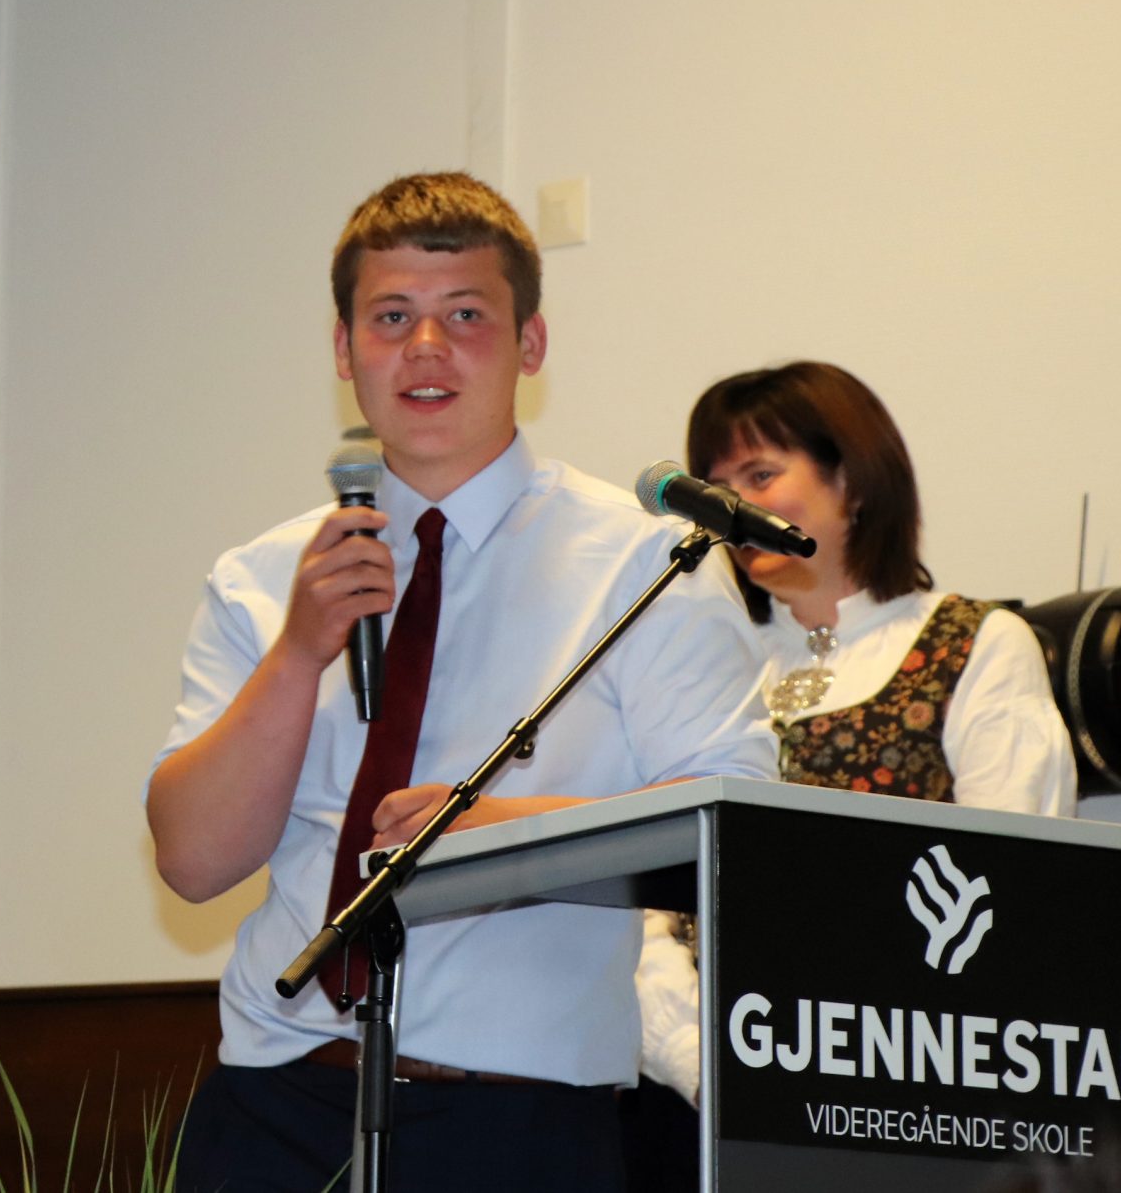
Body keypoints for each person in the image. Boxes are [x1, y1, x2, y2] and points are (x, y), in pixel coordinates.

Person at [146, 172, 777, 1191]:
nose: (426, 346)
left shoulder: (644, 566)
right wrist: (298, 650)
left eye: (466, 315)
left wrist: (509, 833)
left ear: (531, 344)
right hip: (274, 1105)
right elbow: (191, 861)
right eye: (391, 316)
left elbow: (738, 832)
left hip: (517, 1122)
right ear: (343, 348)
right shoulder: (264, 578)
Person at [628, 360, 1075, 1187]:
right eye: (717, 486)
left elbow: (1019, 884)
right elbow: (648, 905)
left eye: (760, 475)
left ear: (854, 482)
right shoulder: (707, 665)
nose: (733, 506)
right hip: (694, 1100)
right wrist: (699, 1058)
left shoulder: (972, 643)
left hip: (902, 1088)